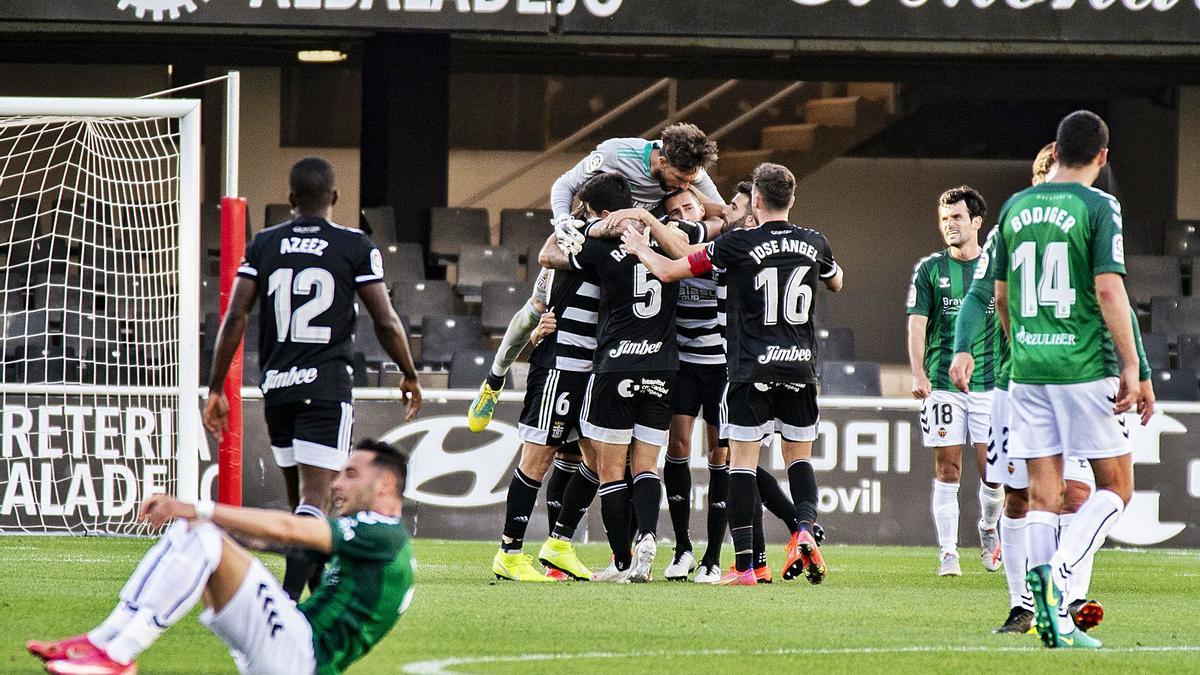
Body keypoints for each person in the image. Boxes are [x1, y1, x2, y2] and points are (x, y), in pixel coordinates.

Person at [950, 142, 1156, 635]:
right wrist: (964, 346)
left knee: (1076, 493)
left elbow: (1113, 302)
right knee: (1020, 496)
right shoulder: (1032, 223)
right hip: (1030, 381)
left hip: (1039, 376)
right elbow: (982, 295)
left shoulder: (1032, 215)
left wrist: (1139, 365)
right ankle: (1028, 601)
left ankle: (1066, 599)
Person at [203, 157, 422, 601]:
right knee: (315, 502)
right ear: (334, 198)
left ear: (290, 200)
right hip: (324, 388)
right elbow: (385, 320)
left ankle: (320, 590)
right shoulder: (353, 245)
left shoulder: (264, 243)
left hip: (279, 387)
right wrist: (410, 373)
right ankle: (284, 604)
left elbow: (235, 316)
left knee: (303, 504)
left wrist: (214, 387)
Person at [621, 162, 843, 587]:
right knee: (800, 459)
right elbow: (836, 282)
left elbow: (670, 270)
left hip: (749, 368)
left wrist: (639, 246)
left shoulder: (737, 244)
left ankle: (747, 566)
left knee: (742, 464)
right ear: (792, 200)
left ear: (756, 201)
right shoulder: (816, 242)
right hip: (800, 364)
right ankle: (803, 529)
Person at [28, 439, 416, 675]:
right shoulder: (376, 538)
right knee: (195, 532)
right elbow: (288, 544)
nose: (335, 482)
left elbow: (291, 528)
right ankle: (99, 644)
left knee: (201, 532)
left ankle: (118, 654)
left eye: (350, 473)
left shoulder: (384, 533)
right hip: (291, 645)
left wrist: (199, 507)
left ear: (384, 483)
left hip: (301, 656)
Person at [466, 122, 723, 435]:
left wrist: (704, 228)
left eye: (690, 180)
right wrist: (562, 222)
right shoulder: (617, 152)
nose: (685, 186)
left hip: (631, 252)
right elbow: (564, 185)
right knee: (536, 308)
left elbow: (720, 211)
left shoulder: (691, 172)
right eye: (680, 180)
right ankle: (495, 379)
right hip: (590, 241)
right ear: (663, 162)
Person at [539, 186, 707, 584]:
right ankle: (649, 534)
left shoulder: (599, 252)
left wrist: (588, 225)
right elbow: (690, 250)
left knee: (611, 471)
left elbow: (550, 254)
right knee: (647, 466)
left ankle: (622, 562)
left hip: (615, 368)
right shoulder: (670, 248)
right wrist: (648, 223)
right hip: (663, 368)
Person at [490, 173, 623, 583]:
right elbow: (546, 267)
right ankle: (509, 552)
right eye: (620, 214)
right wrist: (501, 369)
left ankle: (559, 544)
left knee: (599, 461)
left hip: (589, 368)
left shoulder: (601, 244)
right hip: (560, 365)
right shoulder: (576, 237)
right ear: (604, 213)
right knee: (538, 458)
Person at [906, 186, 1004, 577]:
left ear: (977, 222)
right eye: (944, 218)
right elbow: (917, 325)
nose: (949, 224)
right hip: (944, 385)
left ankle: (988, 527)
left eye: (958, 217)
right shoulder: (930, 270)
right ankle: (949, 553)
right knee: (948, 468)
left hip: (990, 384)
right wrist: (918, 372)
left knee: (993, 473)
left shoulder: (997, 268)